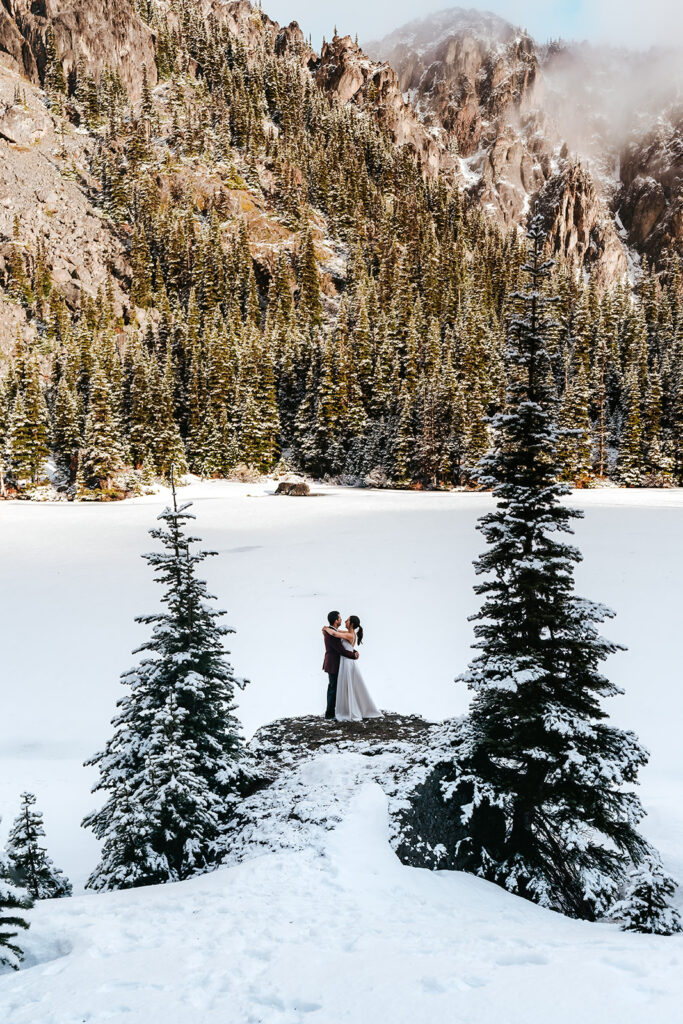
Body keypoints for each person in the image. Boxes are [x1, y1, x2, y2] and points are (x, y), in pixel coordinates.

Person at [323, 614, 381, 722]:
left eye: (347, 620)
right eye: (342, 619)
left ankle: (346, 709)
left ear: (352, 624)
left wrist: (326, 628)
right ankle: (343, 709)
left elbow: (335, 633)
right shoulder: (349, 633)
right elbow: (337, 632)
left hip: (347, 662)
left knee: (345, 685)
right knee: (344, 686)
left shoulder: (350, 635)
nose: (345, 620)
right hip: (345, 661)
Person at [322, 611, 359, 720]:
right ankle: (329, 714)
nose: (342, 620)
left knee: (336, 688)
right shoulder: (331, 633)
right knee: (333, 689)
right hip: (334, 664)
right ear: (335, 620)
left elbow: (344, 645)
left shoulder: (334, 631)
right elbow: (340, 650)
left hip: (339, 663)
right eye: (340, 618)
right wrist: (353, 655)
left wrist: (353, 651)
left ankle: (336, 711)